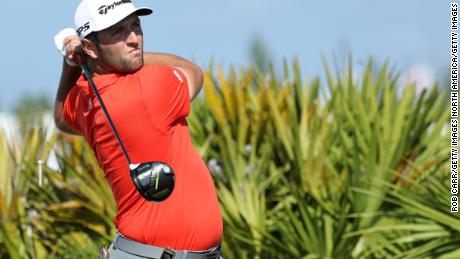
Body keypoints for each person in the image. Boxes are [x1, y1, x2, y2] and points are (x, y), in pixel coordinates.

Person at [53, 0, 223, 258]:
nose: (134, 39)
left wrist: (72, 63)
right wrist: (87, 60)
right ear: (90, 47)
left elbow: (60, 118)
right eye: (117, 32)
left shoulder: (83, 98)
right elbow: (191, 71)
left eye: (135, 26)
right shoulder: (149, 88)